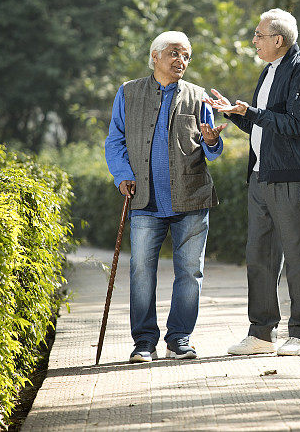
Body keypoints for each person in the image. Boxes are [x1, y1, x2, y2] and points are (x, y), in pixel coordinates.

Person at [204, 8, 300, 356]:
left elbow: (296, 124)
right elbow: (263, 124)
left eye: (259, 35)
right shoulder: (269, 70)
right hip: (260, 177)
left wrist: (252, 113)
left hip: (292, 179)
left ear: (278, 39)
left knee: (296, 257)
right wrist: (235, 112)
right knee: (259, 258)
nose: (254, 40)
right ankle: (260, 334)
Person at [105, 31, 226, 363]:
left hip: (191, 199)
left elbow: (212, 153)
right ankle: (144, 342)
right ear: (155, 56)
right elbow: (115, 140)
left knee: (190, 272)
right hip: (144, 200)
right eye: (174, 53)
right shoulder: (128, 93)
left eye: (186, 56)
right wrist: (122, 175)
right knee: (142, 272)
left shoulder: (199, 97)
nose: (181, 61)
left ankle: (179, 339)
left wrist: (212, 141)